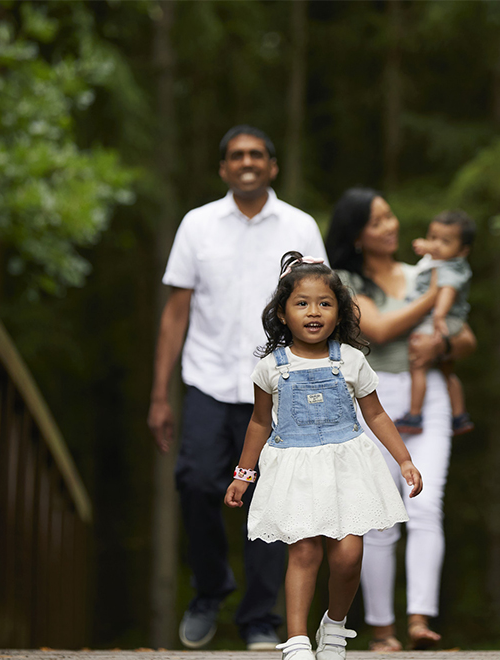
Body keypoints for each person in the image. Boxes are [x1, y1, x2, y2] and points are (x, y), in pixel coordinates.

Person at [148, 126, 328, 650]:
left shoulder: (300, 226)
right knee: (197, 481)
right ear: (224, 168)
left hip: (281, 386)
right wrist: (160, 394)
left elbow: (321, 305)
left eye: (256, 155)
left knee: (270, 503)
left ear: (272, 166)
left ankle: (258, 620)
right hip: (207, 380)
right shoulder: (197, 225)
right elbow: (175, 313)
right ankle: (209, 591)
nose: (246, 162)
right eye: (235, 156)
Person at [225, 251, 423, 660]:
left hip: (347, 466)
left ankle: (334, 625)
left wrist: (403, 459)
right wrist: (244, 473)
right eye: (301, 303)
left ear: (340, 313)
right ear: (282, 313)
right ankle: (296, 640)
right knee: (304, 550)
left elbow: (376, 414)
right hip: (294, 468)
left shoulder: (350, 361)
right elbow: (260, 423)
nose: (313, 312)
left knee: (349, 555)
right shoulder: (270, 368)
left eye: (324, 303)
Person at [325, 188, 477, 652]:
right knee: (378, 518)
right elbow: (381, 329)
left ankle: (419, 620)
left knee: (427, 505)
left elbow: (466, 336)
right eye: (377, 222)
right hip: (369, 397)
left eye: (390, 215)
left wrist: (443, 346)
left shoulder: (419, 272)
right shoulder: (344, 281)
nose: (391, 226)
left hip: (425, 392)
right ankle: (381, 630)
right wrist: (434, 294)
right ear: (356, 235)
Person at [392, 210, 476, 437]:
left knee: (418, 362)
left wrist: (438, 316)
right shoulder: (440, 260)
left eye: (445, 241)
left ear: (463, 250)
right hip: (446, 318)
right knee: (447, 369)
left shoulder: (450, 267)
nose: (436, 245)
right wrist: (425, 246)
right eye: (433, 237)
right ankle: (459, 416)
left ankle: (414, 414)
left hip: (441, 318)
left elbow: (447, 291)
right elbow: (431, 250)